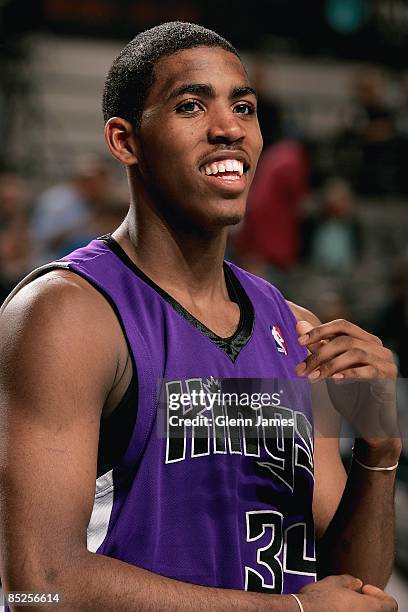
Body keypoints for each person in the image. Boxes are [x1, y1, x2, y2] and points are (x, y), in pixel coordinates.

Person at [0, 22, 400, 612]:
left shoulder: (293, 329)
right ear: (125, 141)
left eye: (245, 107)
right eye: (191, 105)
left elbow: (351, 586)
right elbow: (39, 585)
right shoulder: (67, 315)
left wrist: (379, 450)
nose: (228, 128)